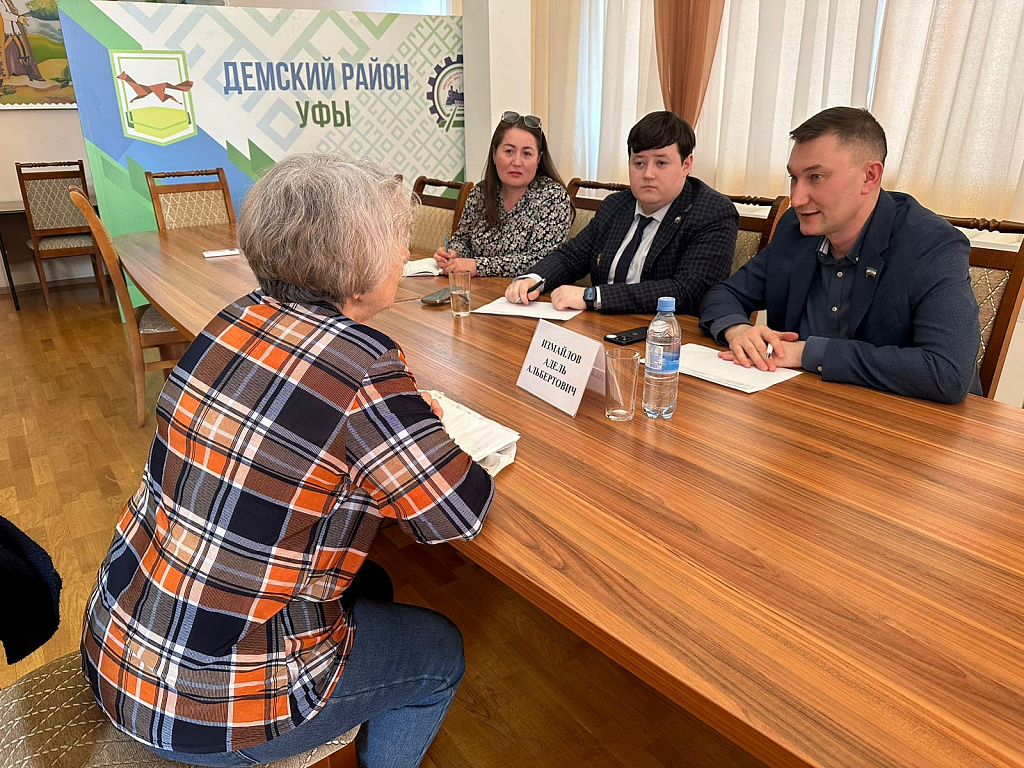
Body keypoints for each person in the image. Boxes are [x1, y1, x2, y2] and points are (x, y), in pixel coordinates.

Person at [81, 153, 495, 768]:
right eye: (398, 238)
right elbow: (457, 513)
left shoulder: (235, 316)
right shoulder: (364, 367)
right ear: (358, 270)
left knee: (373, 585)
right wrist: (421, 425)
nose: (405, 251)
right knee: (440, 652)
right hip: (209, 709)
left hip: (123, 643)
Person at [699, 106, 981, 404]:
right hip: (802, 404)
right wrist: (738, 330)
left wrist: (807, 352)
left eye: (816, 177)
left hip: (905, 419)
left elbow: (947, 372)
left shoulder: (931, 244)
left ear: (869, 176)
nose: (797, 199)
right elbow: (724, 294)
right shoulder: (795, 229)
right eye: (794, 178)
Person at [505, 110, 738, 314]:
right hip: (600, 328)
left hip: (666, 337)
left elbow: (688, 291)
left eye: (661, 163)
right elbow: (571, 257)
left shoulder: (712, 213)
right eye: (639, 163)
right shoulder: (616, 205)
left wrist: (595, 297)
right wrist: (534, 279)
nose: (648, 174)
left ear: (686, 165)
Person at [433, 111, 572, 277]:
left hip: (526, 291)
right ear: (494, 154)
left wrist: (479, 266)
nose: (517, 162)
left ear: (538, 159)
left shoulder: (553, 197)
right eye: (509, 151)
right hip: (479, 288)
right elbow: (463, 240)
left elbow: (544, 261)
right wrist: (453, 253)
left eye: (527, 153)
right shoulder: (480, 193)